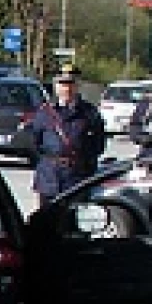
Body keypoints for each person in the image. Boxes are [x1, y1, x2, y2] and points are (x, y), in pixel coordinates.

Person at [26, 67, 107, 207]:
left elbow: (98, 145)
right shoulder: (44, 113)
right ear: (55, 86)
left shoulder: (89, 113)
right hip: (49, 177)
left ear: (77, 86)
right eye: (62, 84)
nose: (66, 89)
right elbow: (35, 142)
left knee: (74, 222)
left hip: (77, 178)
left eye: (70, 84)